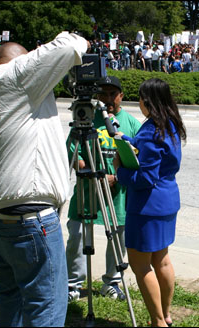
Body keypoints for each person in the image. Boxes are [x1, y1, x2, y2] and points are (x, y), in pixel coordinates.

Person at [0, 32, 89, 327]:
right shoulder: (15, 75)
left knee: (9, 297)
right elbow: (74, 44)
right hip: (30, 220)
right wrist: (40, 52)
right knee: (45, 307)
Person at [113, 78, 186, 327]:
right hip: (166, 201)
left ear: (148, 101)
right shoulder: (170, 125)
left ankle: (157, 322)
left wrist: (118, 174)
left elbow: (145, 177)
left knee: (140, 265)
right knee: (162, 260)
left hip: (146, 207)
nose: (139, 102)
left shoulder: (151, 131)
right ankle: (165, 315)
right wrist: (129, 140)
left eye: (141, 98)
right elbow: (156, 156)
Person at [66, 75, 141, 302]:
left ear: (121, 96)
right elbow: (73, 150)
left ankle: (112, 282)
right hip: (86, 192)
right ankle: (73, 284)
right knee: (77, 237)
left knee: (117, 238)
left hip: (116, 196)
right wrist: (89, 173)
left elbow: (137, 158)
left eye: (112, 94)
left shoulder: (131, 124)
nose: (108, 99)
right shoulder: (86, 119)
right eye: (103, 94)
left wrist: (116, 177)